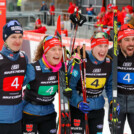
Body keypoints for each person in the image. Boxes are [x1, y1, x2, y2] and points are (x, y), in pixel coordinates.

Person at [22, 35, 72, 134]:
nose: (57, 53)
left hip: (48, 114)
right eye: (53, 49)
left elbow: (63, 90)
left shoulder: (62, 70)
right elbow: (16, 86)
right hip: (30, 113)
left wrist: (68, 91)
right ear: (46, 52)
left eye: (59, 49)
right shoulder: (33, 69)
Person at [69, 32, 113, 134]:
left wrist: (112, 101)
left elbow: (110, 87)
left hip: (98, 108)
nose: (103, 50)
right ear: (92, 47)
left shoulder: (109, 63)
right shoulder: (81, 61)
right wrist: (78, 102)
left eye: (106, 46)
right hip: (79, 108)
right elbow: (70, 87)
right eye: (100, 46)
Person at [0, 20, 29, 134]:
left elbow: (25, 80)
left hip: (17, 118)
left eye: (20, 36)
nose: (17, 41)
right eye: (13, 37)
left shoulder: (23, 58)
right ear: (5, 39)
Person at [109, 24, 134, 134]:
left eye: (133, 39)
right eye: (127, 40)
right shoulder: (111, 53)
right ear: (119, 42)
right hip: (117, 101)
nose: (131, 43)